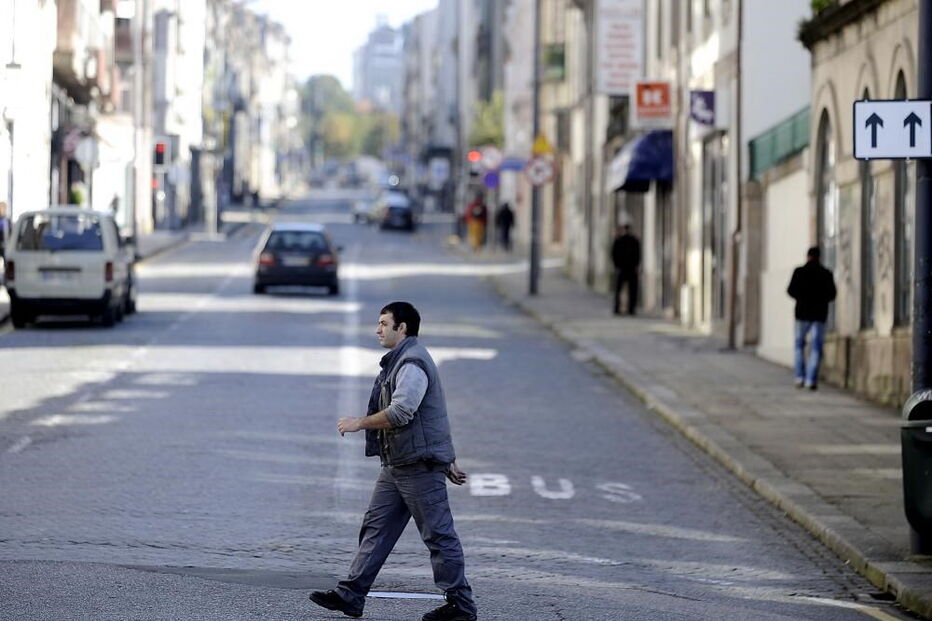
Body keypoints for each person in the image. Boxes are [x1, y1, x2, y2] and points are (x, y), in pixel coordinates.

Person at [309, 302, 477, 621]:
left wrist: (360, 422)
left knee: (439, 535)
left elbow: (403, 412)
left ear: (403, 329)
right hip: (398, 463)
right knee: (376, 527)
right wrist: (450, 456)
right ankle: (351, 594)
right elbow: (435, 414)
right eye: (379, 323)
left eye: (385, 323)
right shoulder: (402, 359)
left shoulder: (412, 363)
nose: (378, 329)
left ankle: (461, 606)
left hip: (418, 464)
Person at [787, 246, 837, 390]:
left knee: (799, 346)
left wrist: (802, 297)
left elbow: (790, 290)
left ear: (807, 256)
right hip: (819, 315)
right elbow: (832, 294)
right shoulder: (826, 273)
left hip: (801, 314)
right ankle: (810, 379)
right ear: (819, 257)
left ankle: (799, 377)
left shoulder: (799, 272)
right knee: (816, 348)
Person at [611, 224, 641, 315]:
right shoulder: (633, 241)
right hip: (629, 269)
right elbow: (638, 255)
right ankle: (630, 309)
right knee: (631, 291)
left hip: (623, 269)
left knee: (620, 290)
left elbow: (613, 254)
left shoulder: (620, 240)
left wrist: (617, 266)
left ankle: (619, 309)